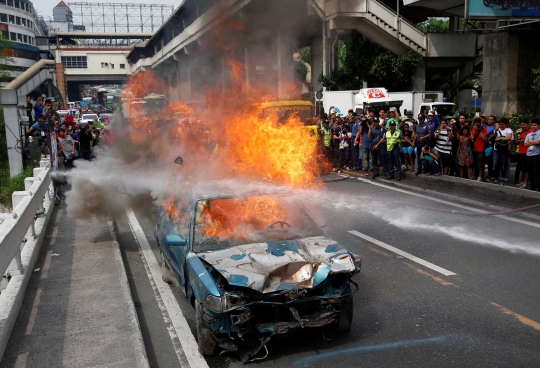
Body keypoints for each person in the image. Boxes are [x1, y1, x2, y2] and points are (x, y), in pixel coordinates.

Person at [491, 119, 513, 184]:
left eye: (502, 124)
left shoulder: (508, 130)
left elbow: (509, 138)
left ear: (505, 124)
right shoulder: (497, 130)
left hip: (504, 149)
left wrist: (501, 138)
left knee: (503, 164)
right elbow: (494, 138)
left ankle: (502, 177)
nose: (501, 126)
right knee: (495, 164)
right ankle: (495, 177)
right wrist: (496, 131)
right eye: (500, 124)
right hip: (497, 148)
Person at [515, 120, 531, 188]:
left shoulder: (530, 131)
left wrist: (523, 140)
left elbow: (530, 140)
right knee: (522, 168)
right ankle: (523, 181)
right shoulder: (521, 132)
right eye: (521, 125)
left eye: (523, 125)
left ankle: (526, 182)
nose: (522, 126)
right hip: (520, 151)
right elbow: (518, 142)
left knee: (526, 168)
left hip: (527, 151)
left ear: (527, 124)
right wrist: (516, 138)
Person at [470, 117, 487, 181]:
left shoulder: (484, 129)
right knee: (474, 163)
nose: (477, 125)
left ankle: (480, 176)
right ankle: (474, 175)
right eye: (476, 124)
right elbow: (472, 137)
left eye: (478, 124)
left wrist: (480, 130)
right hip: (474, 149)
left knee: (480, 164)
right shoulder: (473, 129)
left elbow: (484, 138)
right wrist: (475, 130)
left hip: (481, 149)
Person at [524, 120, 540, 191]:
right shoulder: (529, 134)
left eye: (535, 125)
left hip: (537, 154)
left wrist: (530, 141)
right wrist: (533, 142)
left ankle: (538, 186)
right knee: (530, 170)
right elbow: (525, 144)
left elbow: (538, 142)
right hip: (529, 154)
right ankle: (532, 185)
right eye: (532, 125)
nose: (533, 126)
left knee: (536, 171)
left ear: (538, 126)